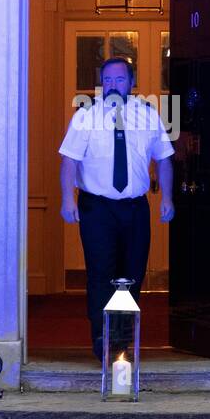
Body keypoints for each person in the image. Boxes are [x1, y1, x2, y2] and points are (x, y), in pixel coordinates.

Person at [58, 56, 174, 362]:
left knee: (132, 273)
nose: (112, 85)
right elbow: (69, 160)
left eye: (119, 79)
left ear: (131, 82)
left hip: (135, 208)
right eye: (107, 80)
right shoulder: (85, 117)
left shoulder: (149, 115)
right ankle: (101, 336)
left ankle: (123, 337)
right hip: (96, 208)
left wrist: (167, 198)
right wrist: (67, 199)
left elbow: (164, 158)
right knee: (101, 272)